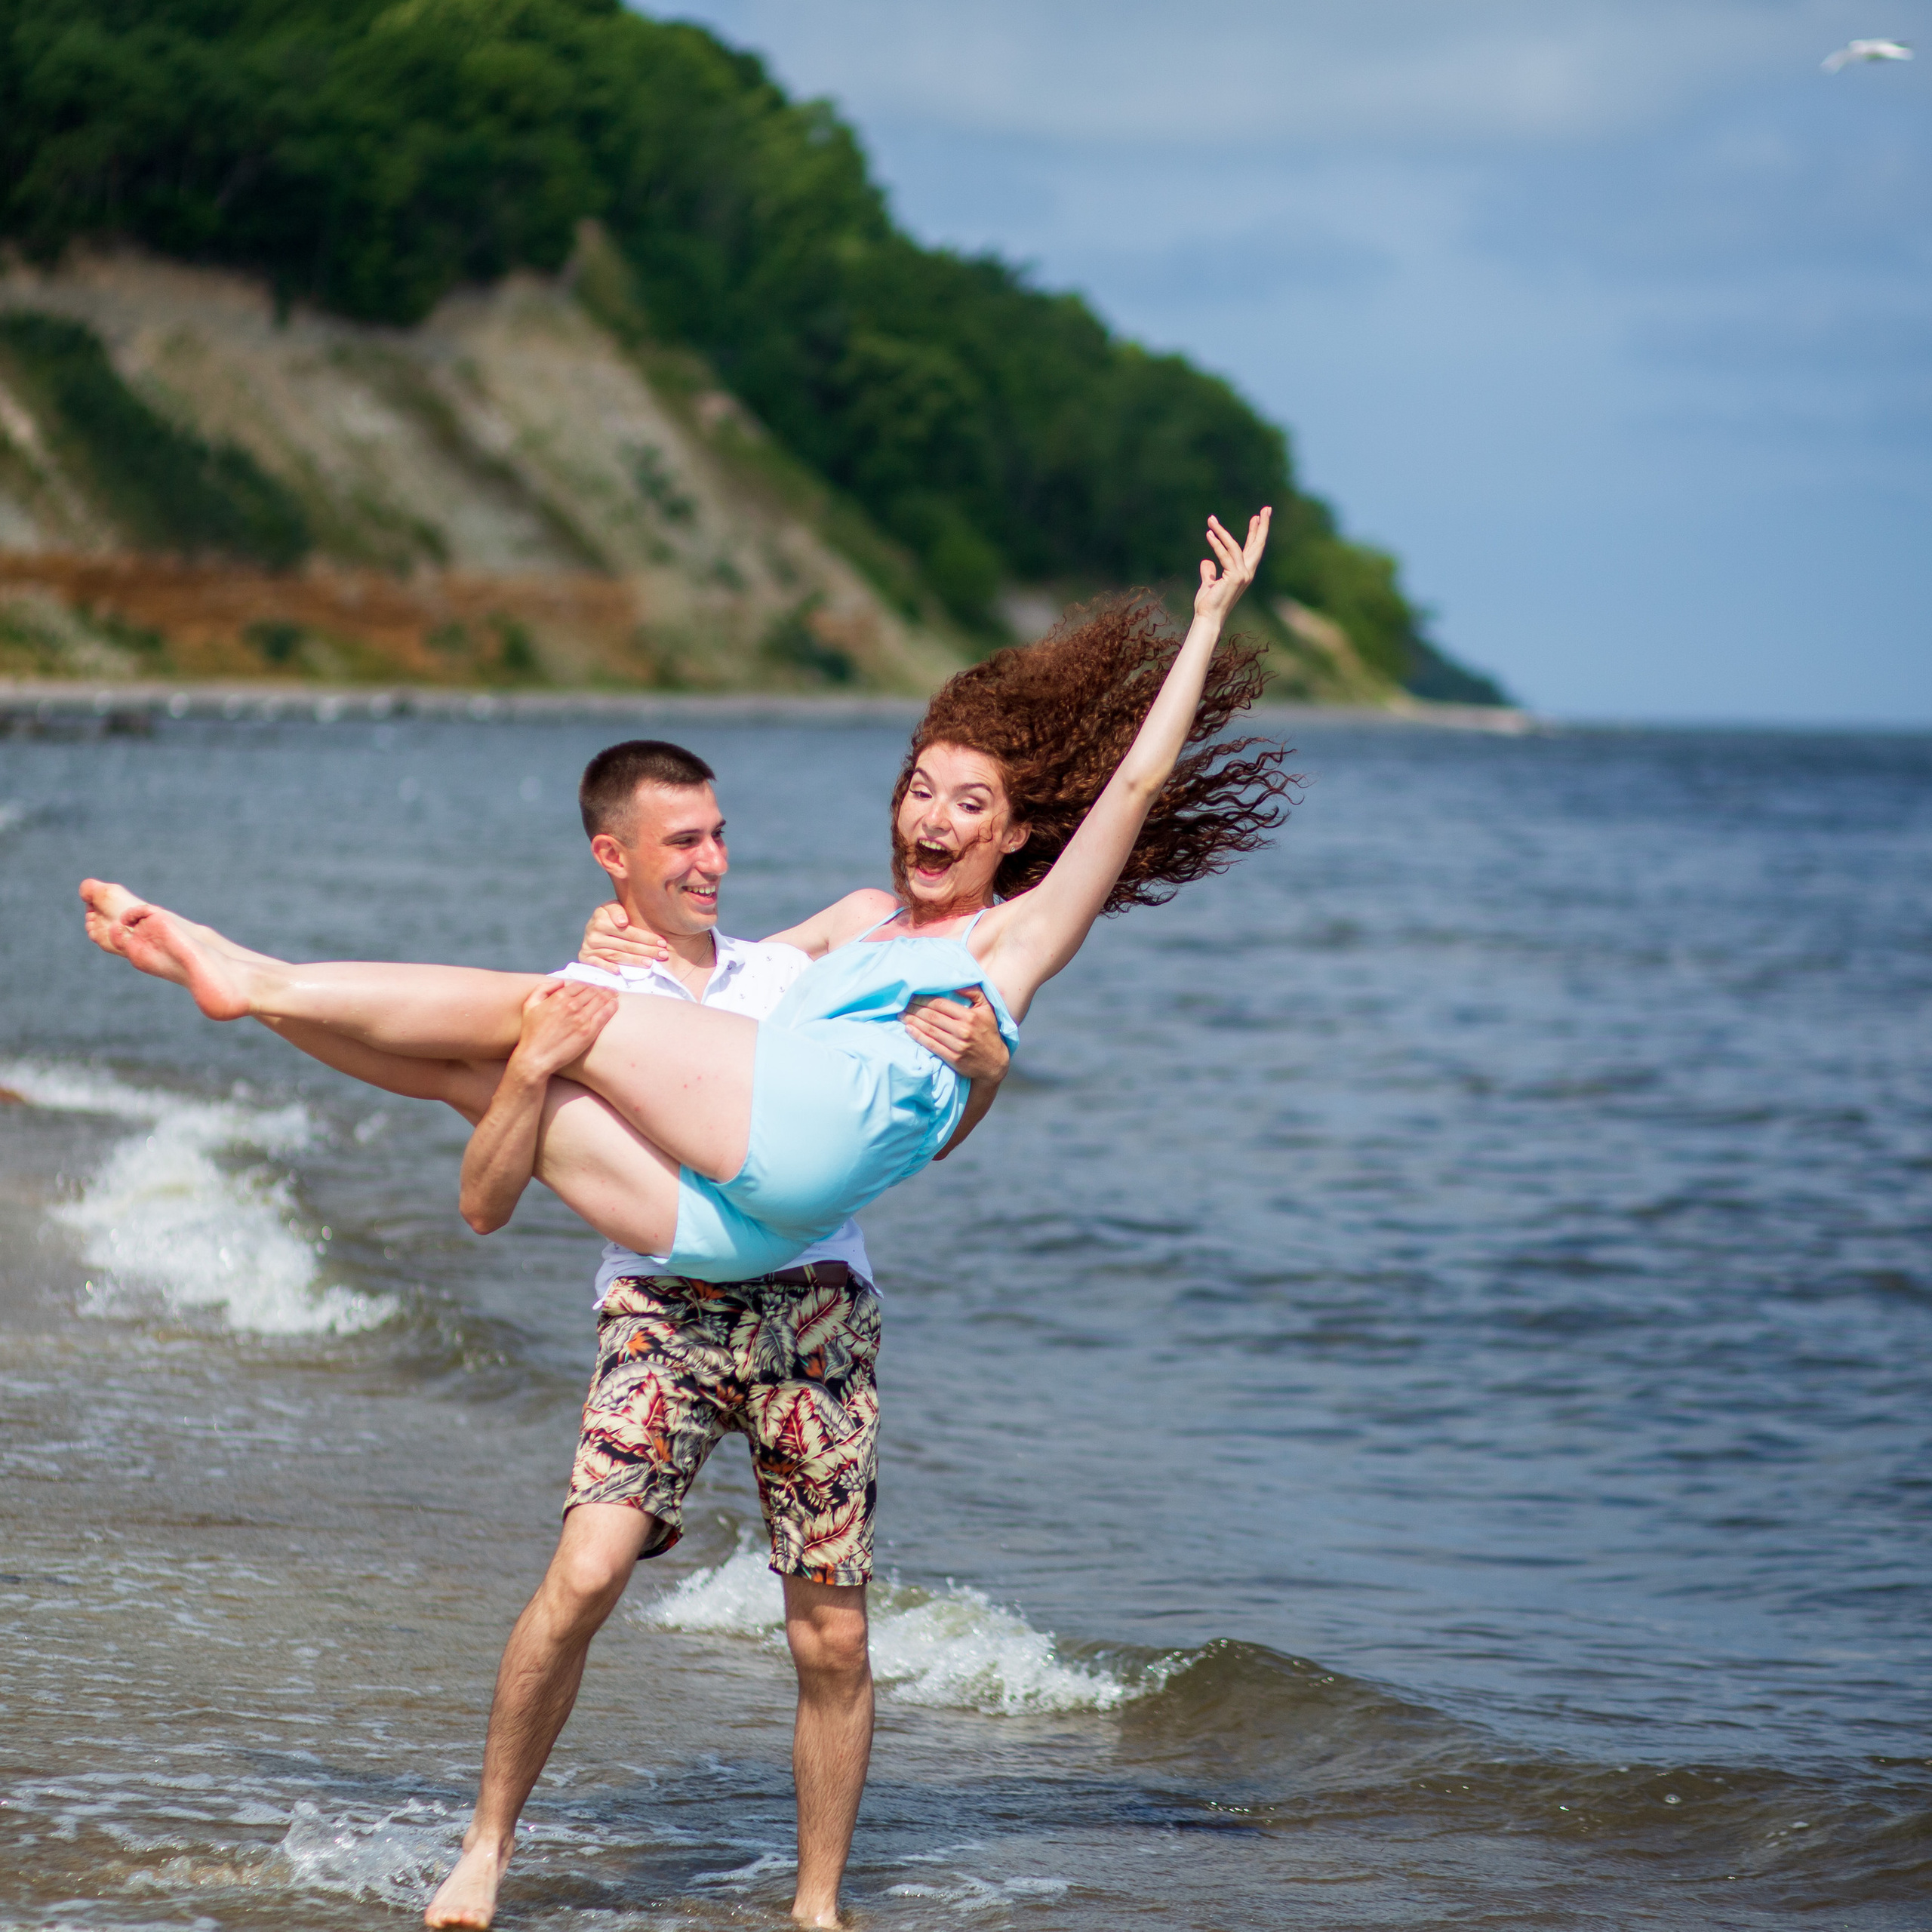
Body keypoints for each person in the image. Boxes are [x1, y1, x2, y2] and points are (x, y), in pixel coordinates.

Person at [78, 509, 1285, 1294]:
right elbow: (734, 962)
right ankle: (265, 1004)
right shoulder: (867, 920)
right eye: (921, 789)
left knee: (546, 1009)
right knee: (487, 1077)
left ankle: (257, 978)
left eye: (971, 805)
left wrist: (1208, 624)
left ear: (1019, 833)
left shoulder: (1011, 939)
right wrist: (638, 940)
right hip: (743, 1228)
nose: (933, 818)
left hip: (800, 1138)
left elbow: (1133, 785)